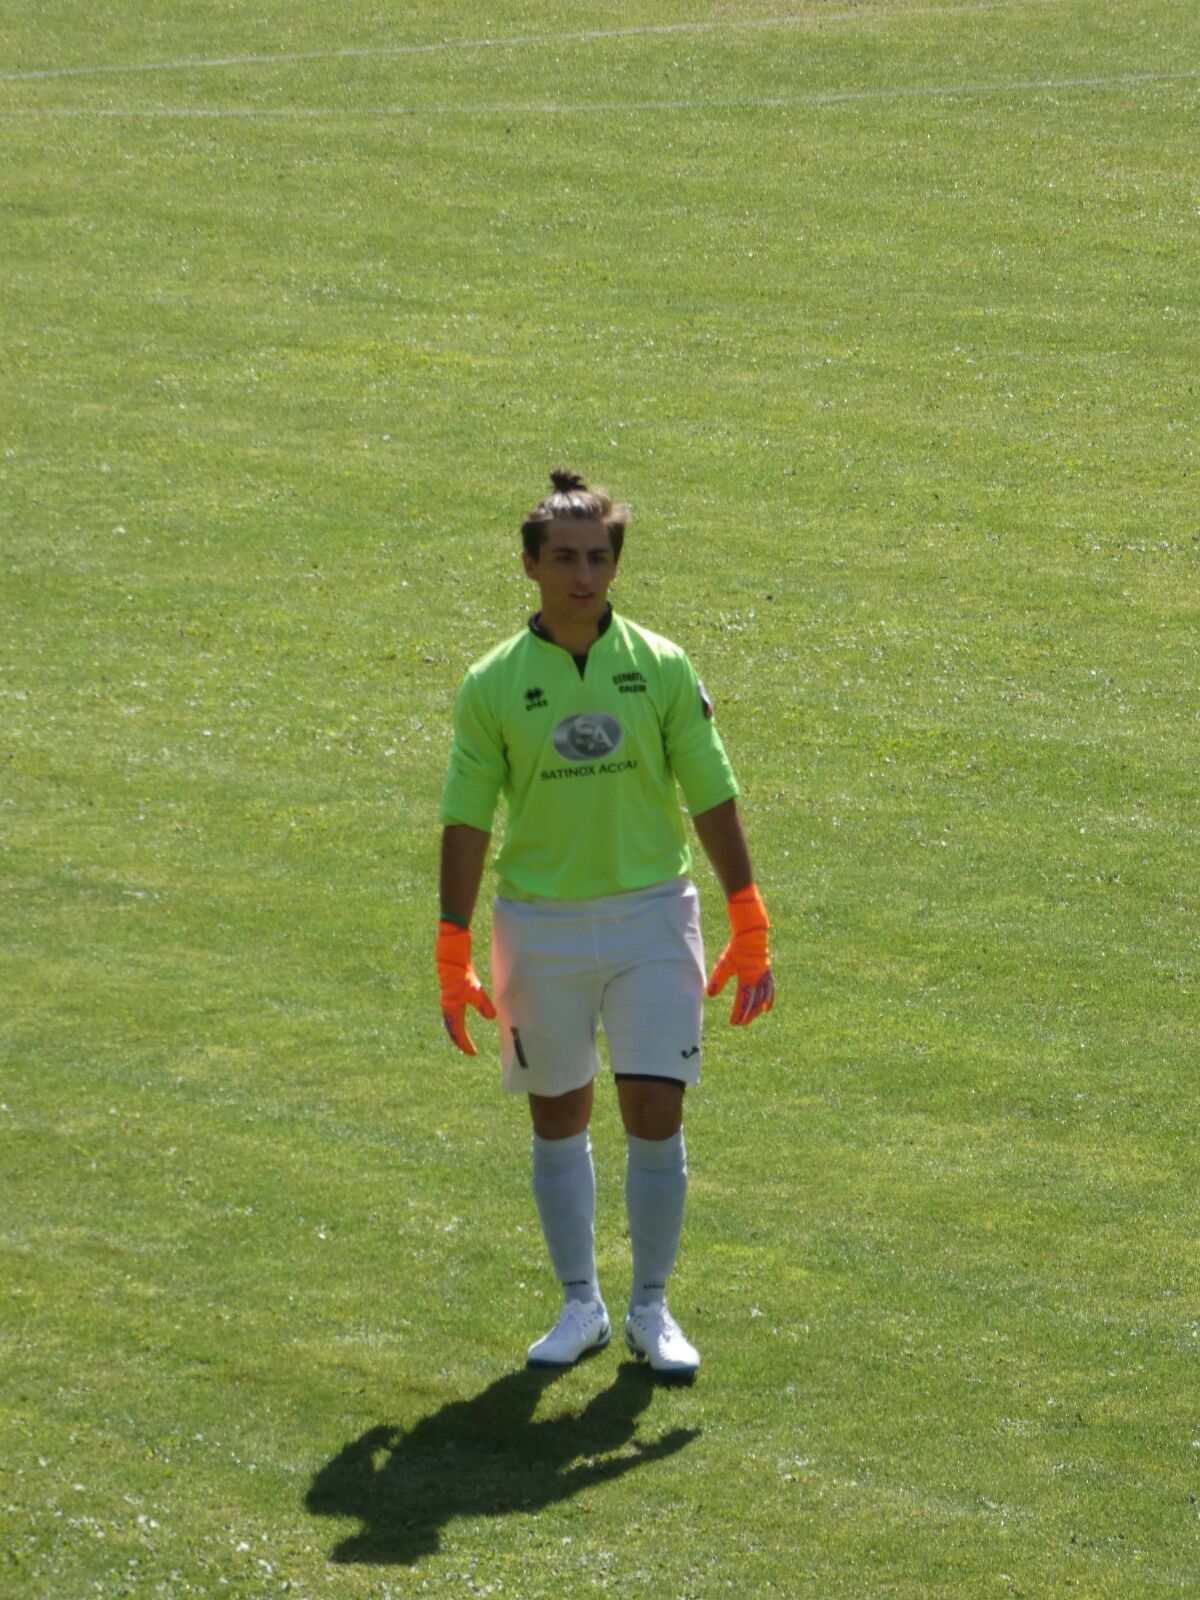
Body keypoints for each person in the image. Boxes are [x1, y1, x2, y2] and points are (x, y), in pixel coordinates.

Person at [436, 470, 774, 1376]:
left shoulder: (661, 664)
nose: (583, 575)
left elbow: (711, 789)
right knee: (558, 1114)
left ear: (616, 563)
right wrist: (450, 943)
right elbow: (466, 817)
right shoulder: (492, 684)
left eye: (598, 557)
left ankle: (651, 1307)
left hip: (651, 914)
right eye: (565, 559)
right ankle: (579, 1304)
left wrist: (747, 913)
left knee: (655, 1107)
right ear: (530, 565)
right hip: (538, 925)